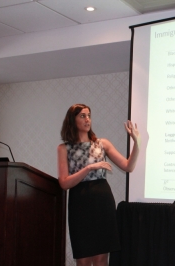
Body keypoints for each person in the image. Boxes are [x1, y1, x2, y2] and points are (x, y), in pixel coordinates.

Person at [57, 103, 140, 266]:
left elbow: (128, 166)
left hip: (102, 203)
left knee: (102, 259)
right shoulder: (64, 148)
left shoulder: (102, 144)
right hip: (80, 205)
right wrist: (88, 168)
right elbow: (64, 183)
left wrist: (137, 143)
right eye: (82, 116)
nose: (87, 119)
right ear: (72, 120)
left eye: (89, 115)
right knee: (83, 260)